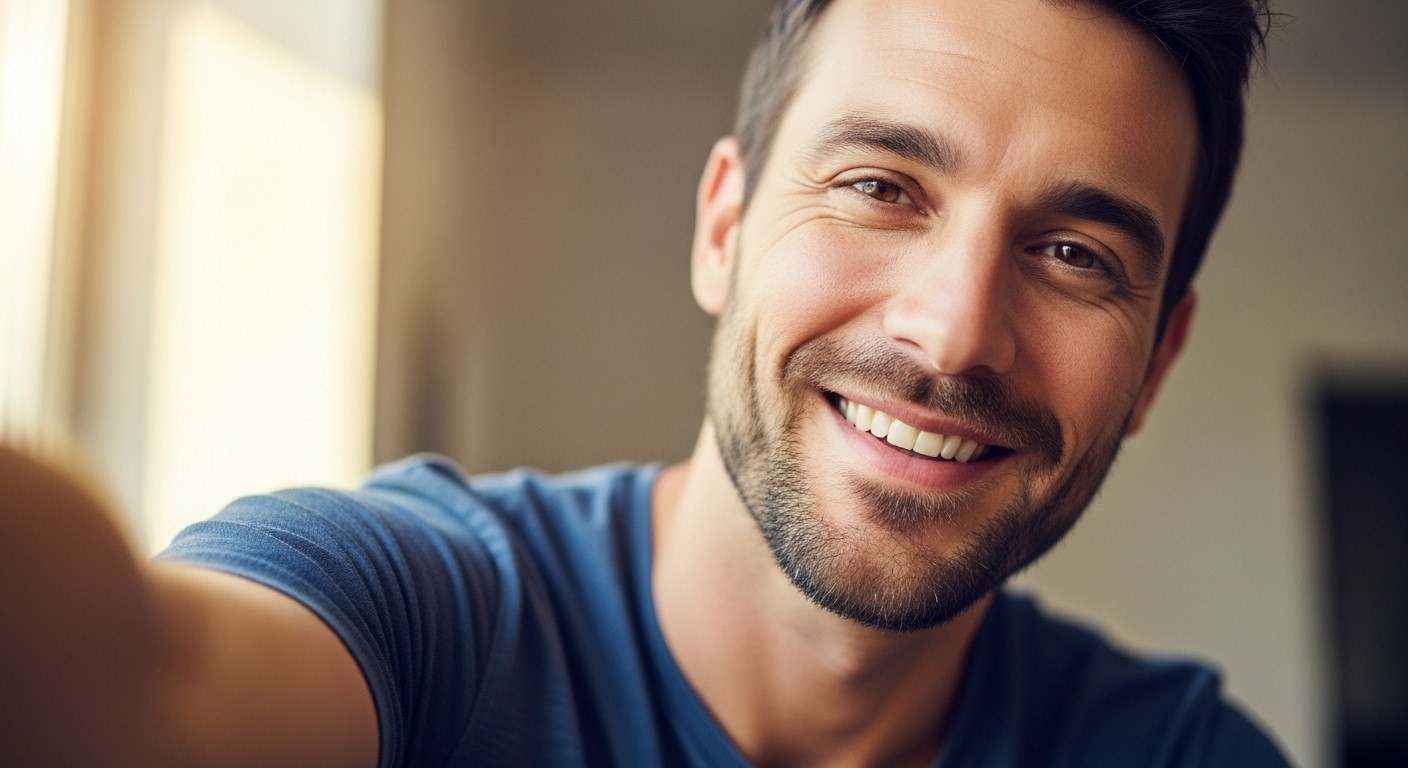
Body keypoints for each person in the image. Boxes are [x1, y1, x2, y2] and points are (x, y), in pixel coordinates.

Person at [0, 0, 1292, 765]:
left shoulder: (1175, 752)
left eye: (1074, 255)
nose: (954, 335)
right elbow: (136, 690)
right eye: (880, 187)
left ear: (1154, 363)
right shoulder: (421, 615)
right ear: (723, 227)